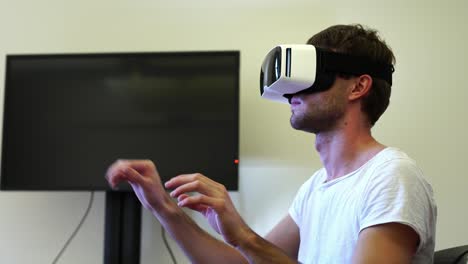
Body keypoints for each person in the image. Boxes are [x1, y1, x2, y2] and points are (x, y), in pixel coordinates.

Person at [106, 24, 437, 264]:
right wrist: (164, 209)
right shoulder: (316, 189)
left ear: (358, 87)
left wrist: (244, 237)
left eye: (314, 76)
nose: (292, 92)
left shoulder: (392, 177)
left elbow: (252, 251)